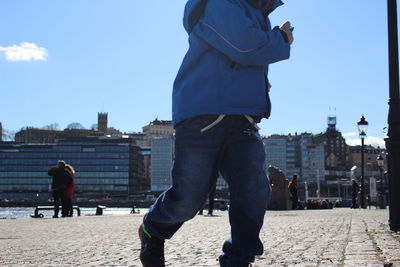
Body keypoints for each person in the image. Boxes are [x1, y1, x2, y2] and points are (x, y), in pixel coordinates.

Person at [138, 0, 293, 266]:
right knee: (188, 198)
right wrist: (281, 38)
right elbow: (246, 46)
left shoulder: (257, 14)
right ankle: (153, 228)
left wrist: (257, 82)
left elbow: (242, 54)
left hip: (243, 118)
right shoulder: (218, 3)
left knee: (254, 189)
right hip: (203, 115)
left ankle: (238, 259)